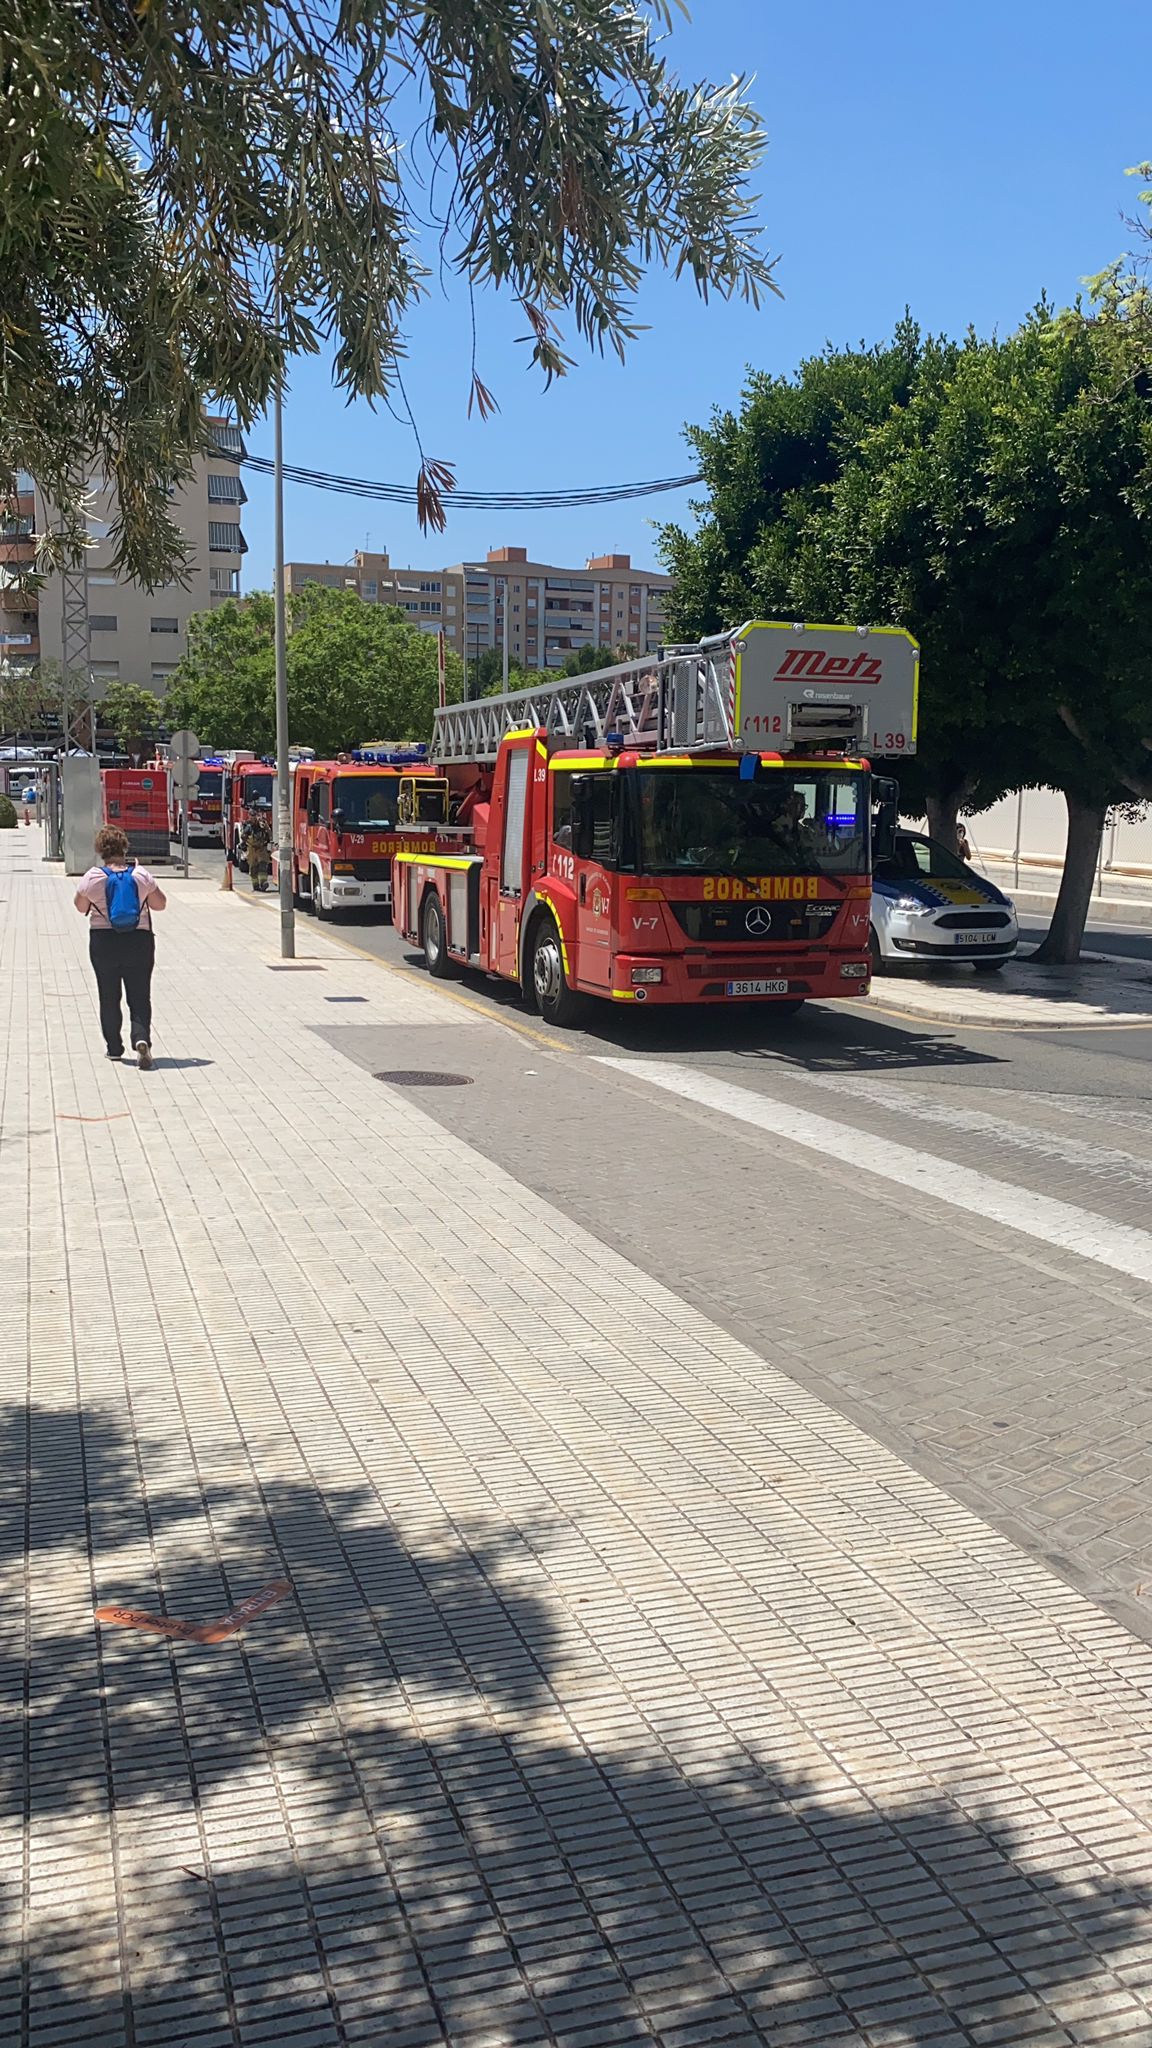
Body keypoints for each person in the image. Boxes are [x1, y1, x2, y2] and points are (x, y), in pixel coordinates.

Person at [74, 826, 166, 1067]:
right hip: (139, 940)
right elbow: (160, 905)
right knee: (139, 996)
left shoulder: (93, 877)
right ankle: (141, 1039)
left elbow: (81, 907)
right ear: (124, 847)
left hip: (104, 941)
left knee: (109, 995)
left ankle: (114, 1048)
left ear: (100, 850)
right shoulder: (140, 875)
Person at [244, 807, 272, 891]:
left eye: (254, 815)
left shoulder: (262, 825)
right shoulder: (247, 826)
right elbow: (243, 837)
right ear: (249, 816)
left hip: (261, 848)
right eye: (251, 815)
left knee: (263, 866)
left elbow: (268, 834)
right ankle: (255, 885)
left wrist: (269, 843)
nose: (253, 817)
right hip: (251, 849)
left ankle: (263, 883)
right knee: (253, 868)